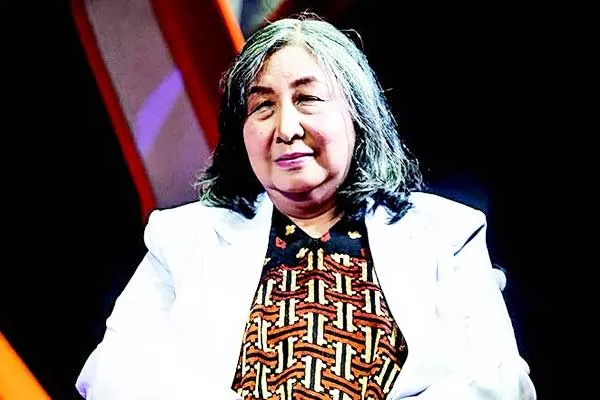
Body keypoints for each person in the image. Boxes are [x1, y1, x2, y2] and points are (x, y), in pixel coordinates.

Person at [76, 13, 536, 400]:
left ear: (357, 114)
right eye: (262, 106)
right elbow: (113, 378)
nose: (286, 127)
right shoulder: (182, 239)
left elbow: (500, 384)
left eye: (308, 99)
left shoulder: (445, 233)